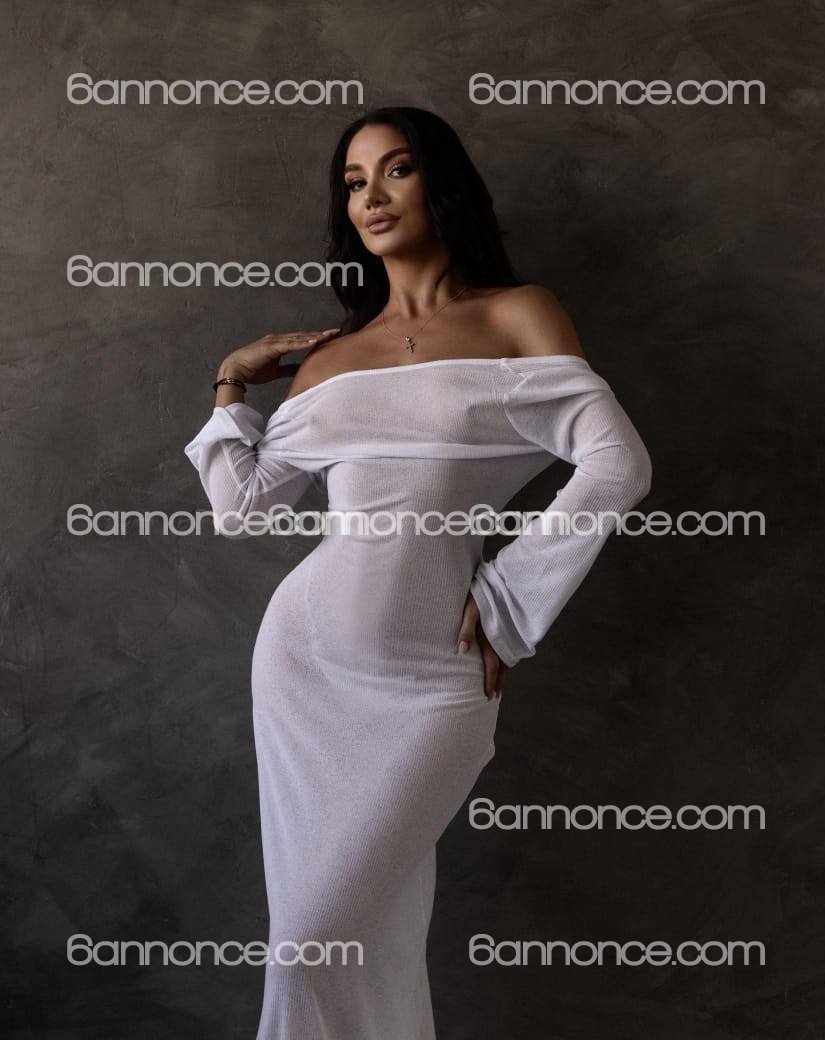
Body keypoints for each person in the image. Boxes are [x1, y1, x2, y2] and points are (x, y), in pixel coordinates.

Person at [184, 106, 652, 1040]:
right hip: (306, 666)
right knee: (335, 938)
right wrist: (231, 379)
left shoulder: (517, 313)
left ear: (442, 184)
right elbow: (243, 507)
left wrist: (513, 599)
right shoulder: (329, 362)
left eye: (396, 170)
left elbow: (618, 466)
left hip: (434, 677)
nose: (372, 196)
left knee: (320, 938)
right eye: (354, 182)